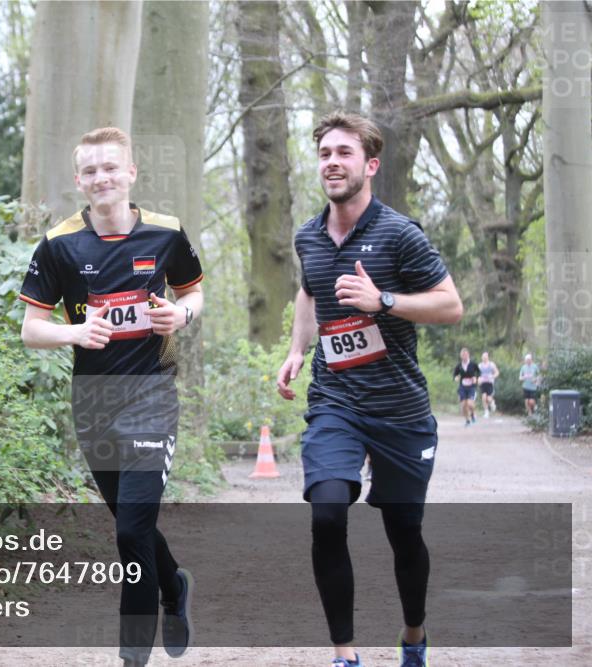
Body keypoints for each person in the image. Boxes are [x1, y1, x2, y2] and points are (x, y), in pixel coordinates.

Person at [276, 111, 462, 667]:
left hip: (399, 409)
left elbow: (451, 306)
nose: (332, 162)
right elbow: (308, 294)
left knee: (404, 531)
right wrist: (295, 351)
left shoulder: (399, 234)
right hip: (335, 400)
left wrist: (384, 301)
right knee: (327, 514)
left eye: (344, 153)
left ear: (370, 165)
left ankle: (413, 635)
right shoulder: (308, 235)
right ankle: (344, 654)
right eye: (325, 153)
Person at [19, 127, 204, 667]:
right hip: (93, 401)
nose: (102, 177)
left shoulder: (167, 234)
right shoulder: (59, 244)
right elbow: (32, 328)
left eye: (110, 167)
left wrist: (182, 313)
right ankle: (173, 588)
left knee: (130, 529)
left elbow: (193, 292)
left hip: (151, 394)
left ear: (131, 173)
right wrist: (73, 333)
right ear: (79, 180)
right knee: (133, 522)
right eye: (90, 170)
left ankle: (131, 658)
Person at [453, 347, 481, 426]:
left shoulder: (473, 364)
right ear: (461, 356)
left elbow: (479, 372)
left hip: (471, 386)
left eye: (465, 354)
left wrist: (476, 378)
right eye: (463, 355)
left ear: (468, 355)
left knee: (470, 404)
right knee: (463, 405)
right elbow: (455, 374)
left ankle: (472, 414)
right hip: (462, 387)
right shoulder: (459, 365)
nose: (464, 356)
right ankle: (467, 420)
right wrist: (456, 378)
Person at [478, 351, 500, 417]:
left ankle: (492, 403)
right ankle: (486, 412)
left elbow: (497, 372)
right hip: (483, 383)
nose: (484, 358)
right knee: (484, 397)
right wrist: (479, 379)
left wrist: (493, 376)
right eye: (483, 357)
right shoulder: (480, 365)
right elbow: (478, 374)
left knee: (489, 398)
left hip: (490, 383)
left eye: (485, 357)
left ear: (487, 357)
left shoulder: (491, 364)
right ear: (481, 358)